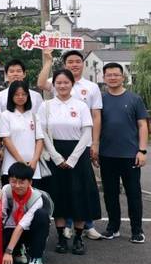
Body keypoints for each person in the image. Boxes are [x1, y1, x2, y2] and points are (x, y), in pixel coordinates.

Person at [38, 48, 103, 240]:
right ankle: (60, 236)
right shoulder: (46, 106)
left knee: (79, 195)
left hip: (78, 153)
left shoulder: (81, 105)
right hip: (55, 153)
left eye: (66, 82)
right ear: (54, 85)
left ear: (72, 84)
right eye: (59, 83)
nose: (62, 85)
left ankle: (79, 238)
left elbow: (87, 131)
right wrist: (56, 157)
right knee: (59, 195)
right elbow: (42, 133)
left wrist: (73, 158)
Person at [98, 62, 147, 243]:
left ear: (123, 77)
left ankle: (137, 230)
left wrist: (142, 150)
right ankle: (113, 228)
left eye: (116, 74)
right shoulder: (100, 100)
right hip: (107, 155)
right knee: (110, 194)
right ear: (104, 78)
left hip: (130, 155)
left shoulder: (135, 99)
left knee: (133, 194)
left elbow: (142, 125)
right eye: (109, 75)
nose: (113, 78)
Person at [2, 162, 53, 264]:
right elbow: (2, 215)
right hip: (10, 228)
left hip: (28, 230)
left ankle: (36, 257)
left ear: (30, 182)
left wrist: (8, 252)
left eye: (21, 182)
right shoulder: (6, 190)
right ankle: (18, 250)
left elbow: (22, 225)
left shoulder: (36, 198)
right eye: (13, 181)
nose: (17, 185)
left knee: (42, 215)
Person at [0, 80, 45, 186]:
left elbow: (39, 140)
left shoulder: (33, 116)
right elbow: (6, 140)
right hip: (11, 165)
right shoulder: (6, 115)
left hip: (33, 167)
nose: (20, 97)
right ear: (11, 96)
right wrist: (21, 161)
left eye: (24, 94)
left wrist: (34, 160)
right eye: (17, 94)